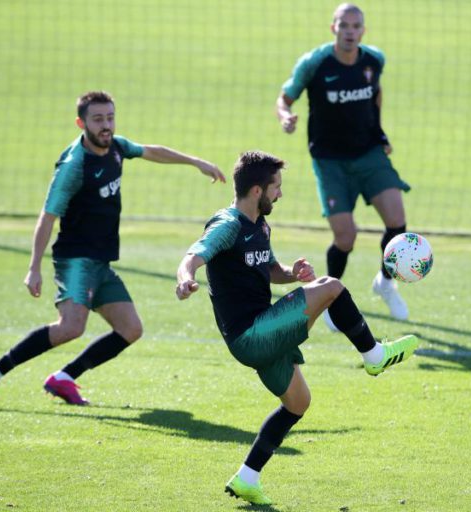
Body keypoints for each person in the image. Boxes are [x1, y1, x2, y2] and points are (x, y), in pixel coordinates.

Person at [176, 150, 418, 505]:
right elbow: (193, 256)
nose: (281, 194)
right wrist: (185, 279)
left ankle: (247, 477)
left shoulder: (259, 225)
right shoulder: (228, 225)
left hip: (259, 331)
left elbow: (268, 268)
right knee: (332, 286)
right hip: (252, 334)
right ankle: (375, 355)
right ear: (257, 190)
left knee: (298, 403)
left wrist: (291, 273)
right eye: (276, 187)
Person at [0, 90, 226, 409]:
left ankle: (64, 378)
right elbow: (47, 216)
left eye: (110, 117)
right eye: (98, 119)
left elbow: (151, 151)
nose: (106, 125)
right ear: (82, 123)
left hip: (100, 261)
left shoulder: (116, 147)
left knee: (131, 329)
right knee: (70, 328)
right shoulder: (74, 167)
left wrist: (195, 162)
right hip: (75, 259)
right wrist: (34, 266)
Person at [276, 3, 412, 329]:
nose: (350, 31)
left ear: (363, 31)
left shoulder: (373, 60)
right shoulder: (315, 63)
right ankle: (329, 299)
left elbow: (375, 94)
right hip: (330, 160)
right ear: (333, 28)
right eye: (344, 25)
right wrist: (285, 116)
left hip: (369, 154)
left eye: (356, 26)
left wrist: (379, 131)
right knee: (346, 237)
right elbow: (285, 97)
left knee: (397, 222)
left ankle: (385, 281)